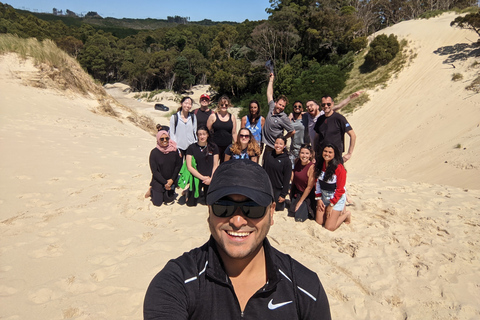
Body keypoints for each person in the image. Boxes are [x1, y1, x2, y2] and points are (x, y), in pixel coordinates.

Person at [144, 160, 331, 319]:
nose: (237, 221)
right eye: (224, 206)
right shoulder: (175, 283)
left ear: (271, 212)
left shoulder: (305, 288)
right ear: (209, 210)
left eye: (253, 208)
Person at [314, 144, 351, 231]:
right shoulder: (320, 164)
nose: (327, 154)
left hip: (335, 199)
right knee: (319, 222)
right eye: (325, 151)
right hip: (323, 196)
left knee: (329, 227)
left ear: (335, 154)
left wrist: (331, 205)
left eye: (330, 152)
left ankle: (346, 215)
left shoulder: (339, 168)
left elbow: (340, 190)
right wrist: (319, 199)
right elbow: (317, 183)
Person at [314, 96, 357, 163]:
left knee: (337, 173)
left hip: (336, 156)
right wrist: (314, 152)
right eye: (323, 104)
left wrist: (349, 153)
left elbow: (353, 135)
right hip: (322, 156)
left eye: (328, 104)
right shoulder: (320, 119)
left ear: (332, 104)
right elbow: (316, 138)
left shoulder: (339, 118)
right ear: (320, 106)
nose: (326, 106)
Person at [145, 130, 182, 206]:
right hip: (159, 181)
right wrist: (165, 182)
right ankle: (152, 190)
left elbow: (178, 166)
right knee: (157, 203)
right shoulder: (154, 153)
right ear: (158, 139)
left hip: (171, 180)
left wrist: (171, 180)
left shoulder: (174, 151)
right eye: (162, 139)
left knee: (168, 200)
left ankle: (166, 191)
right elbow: (154, 172)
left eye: (167, 138)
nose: (165, 140)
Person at [185, 126, 219, 206]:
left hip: (209, 178)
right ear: (197, 135)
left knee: (209, 202)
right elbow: (189, 166)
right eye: (200, 134)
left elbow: (215, 165)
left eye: (204, 134)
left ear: (207, 135)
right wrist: (202, 178)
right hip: (197, 177)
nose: (202, 136)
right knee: (190, 203)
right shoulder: (192, 147)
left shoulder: (213, 147)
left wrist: (211, 179)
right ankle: (188, 192)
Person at [262, 73, 295, 157]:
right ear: (276, 103)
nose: (281, 107)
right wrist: (271, 79)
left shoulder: (283, 117)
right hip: (267, 145)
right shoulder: (272, 107)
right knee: (265, 165)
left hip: (276, 147)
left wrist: (283, 139)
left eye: (283, 106)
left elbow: (292, 131)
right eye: (280, 104)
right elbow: (269, 94)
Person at [262, 135, 292, 212]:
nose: (278, 146)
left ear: (284, 146)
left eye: (281, 144)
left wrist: (283, 194)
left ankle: (286, 202)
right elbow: (263, 170)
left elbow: (287, 179)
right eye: (276, 143)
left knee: (278, 208)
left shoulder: (287, 161)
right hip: (268, 186)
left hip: (279, 188)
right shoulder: (268, 155)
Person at [289, 144, 316, 221]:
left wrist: (300, 201)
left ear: (310, 155)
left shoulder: (312, 167)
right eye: (302, 153)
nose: (304, 156)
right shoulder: (297, 161)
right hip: (297, 192)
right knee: (292, 213)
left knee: (299, 218)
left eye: (307, 153)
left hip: (307, 195)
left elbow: (309, 187)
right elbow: (294, 176)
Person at [207, 95, 237, 163]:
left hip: (228, 146)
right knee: (212, 165)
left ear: (228, 105)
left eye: (226, 105)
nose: (224, 106)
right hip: (215, 146)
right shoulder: (213, 116)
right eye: (222, 104)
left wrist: (236, 144)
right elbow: (208, 131)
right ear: (219, 104)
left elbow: (234, 133)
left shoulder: (232, 117)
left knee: (225, 166)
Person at [288, 101, 310, 167]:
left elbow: (314, 112)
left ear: (302, 109)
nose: (297, 108)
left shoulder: (306, 117)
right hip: (293, 149)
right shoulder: (290, 119)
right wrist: (289, 117)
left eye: (299, 106)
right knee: (292, 170)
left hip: (304, 149)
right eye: (295, 106)